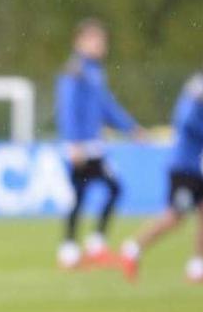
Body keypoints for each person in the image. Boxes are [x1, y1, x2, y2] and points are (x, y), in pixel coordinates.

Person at [120, 52, 203, 285]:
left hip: (195, 166)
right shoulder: (200, 89)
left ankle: (198, 268)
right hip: (183, 165)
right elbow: (186, 121)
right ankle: (131, 249)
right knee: (175, 217)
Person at [55, 18, 145, 269]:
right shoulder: (75, 70)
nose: (100, 44)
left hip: (93, 145)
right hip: (81, 146)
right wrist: (73, 143)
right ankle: (82, 247)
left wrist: (130, 128)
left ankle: (76, 249)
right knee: (101, 190)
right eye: (94, 39)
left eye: (101, 40)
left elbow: (106, 107)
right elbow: (68, 108)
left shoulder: (94, 70)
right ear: (79, 42)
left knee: (89, 193)